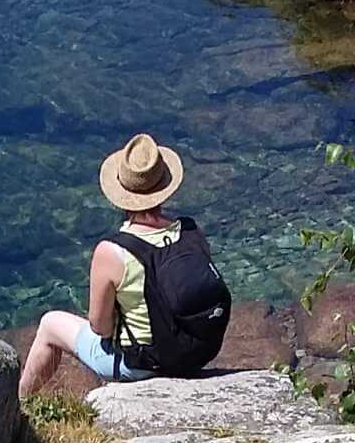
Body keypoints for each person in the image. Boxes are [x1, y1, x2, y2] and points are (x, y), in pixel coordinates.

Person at [17, 132, 231, 403]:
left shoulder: (113, 251)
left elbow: (100, 328)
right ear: (164, 186)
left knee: (50, 325)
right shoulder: (190, 230)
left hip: (143, 365)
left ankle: (20, 407)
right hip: (196, 354)